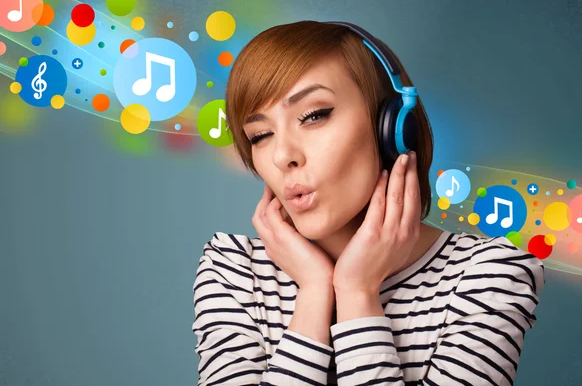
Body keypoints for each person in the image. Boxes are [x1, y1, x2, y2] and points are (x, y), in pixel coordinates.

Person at [192, 20, 544, 385]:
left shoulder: (489, 275)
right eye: (260, 135)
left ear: (392, 127)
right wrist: (314, 291)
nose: (282, 156)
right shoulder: (234, 272)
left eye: (314, 116)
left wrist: (357, 292)